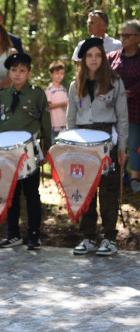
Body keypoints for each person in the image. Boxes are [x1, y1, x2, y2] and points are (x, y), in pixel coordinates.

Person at [68, 37, 128, 256]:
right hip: (83, 142)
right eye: (89, 56)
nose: (93, 60)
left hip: (107, 140)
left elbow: (122, 118)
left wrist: (122, 147)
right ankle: (88, 237)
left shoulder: (114, 82)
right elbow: (71, 121)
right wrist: (71, 148)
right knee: (86, 190)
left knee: (109, 190)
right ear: (83, 60)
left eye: (98, 55)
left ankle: (110, 238)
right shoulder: (76, 85)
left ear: (103, 58)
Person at [0, 52, 51, 250]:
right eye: (14, 70)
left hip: (29, 151)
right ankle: (13, 234)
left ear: (29, 73)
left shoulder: (37, 94)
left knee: (32, 193)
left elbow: (45, 122)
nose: (17, 74)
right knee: (11, 193)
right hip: (6, 152)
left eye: (22, 71)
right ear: (8, 72)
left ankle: (34, 234)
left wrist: (46, 149)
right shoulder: (2, 95)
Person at [108, 20, 140, 193]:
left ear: (137, 38)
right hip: (114, 109)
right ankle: (119, 176)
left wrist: (130, 92)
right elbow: (104, 77)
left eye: (128, 35)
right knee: (116, 142)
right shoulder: (113, 57)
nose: (123, 38)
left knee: (134, 143)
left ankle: (135, 177)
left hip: (135, 108)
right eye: (122, 35)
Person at [45, 60, 69, 142]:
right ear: (51, 74)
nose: (60, 76)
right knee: (53, 146)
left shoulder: (64, 89)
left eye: (62, 73)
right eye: (57, 73)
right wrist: (62, 103)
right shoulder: (49, 90)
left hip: (63, 123)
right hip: (53, 124)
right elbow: (48, 106)